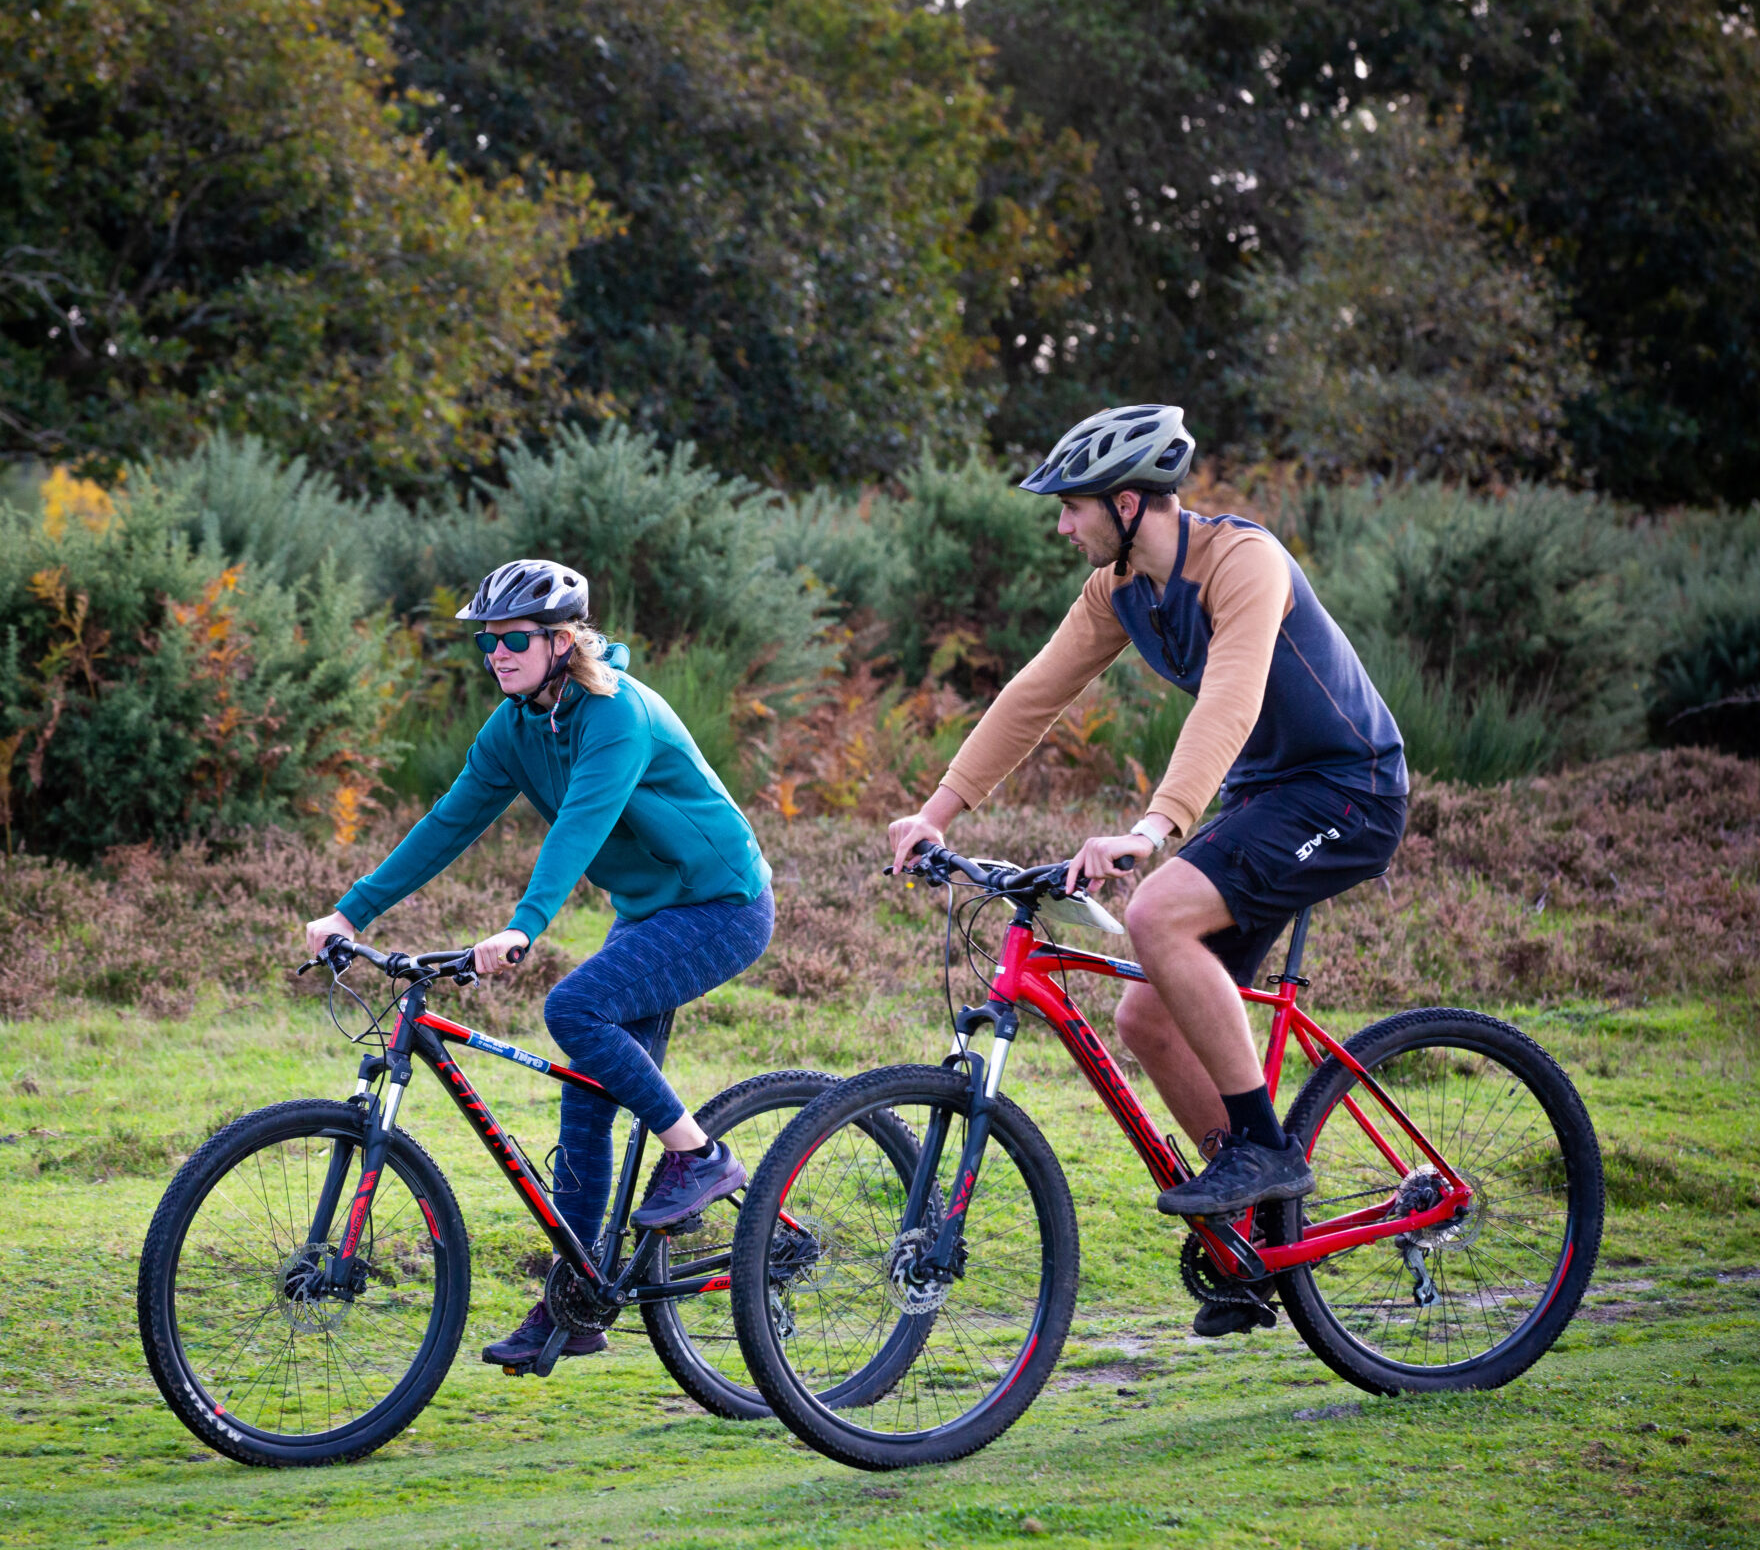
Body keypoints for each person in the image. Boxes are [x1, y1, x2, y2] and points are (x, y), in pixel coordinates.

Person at [886, 405, 1408, 1336]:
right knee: (1144, 1012)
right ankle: (1246, 1235)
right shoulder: (1119, 587)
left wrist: (1154, 828)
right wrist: (936, 811)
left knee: (1159, 912)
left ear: (1129, 501)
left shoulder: (1242, 562)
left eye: (1072, 507)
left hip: (1347, 788)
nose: (1061, 525)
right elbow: (1032, 697)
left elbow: (1232, 696)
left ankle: (1262, 1150)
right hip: (1265, 800)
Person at [305, 557, 775, 1369]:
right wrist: (353, 908)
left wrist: (523, 926)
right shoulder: (515, 728)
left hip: (721, 904)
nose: (497, 656)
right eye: (487, 644)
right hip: (649, 914)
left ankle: (700, 1156)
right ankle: (578, 1301)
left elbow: (579, 829)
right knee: (588, 1100)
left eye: (513, 640)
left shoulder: (615, 713)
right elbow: (449, 822)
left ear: (563, 641)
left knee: (573, 1010)